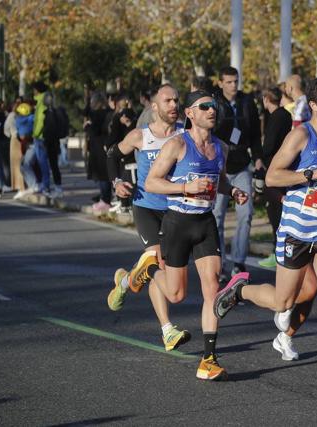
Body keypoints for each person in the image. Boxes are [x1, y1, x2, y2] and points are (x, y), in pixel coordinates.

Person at [213, 77, 317, 404]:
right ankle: (240, 289)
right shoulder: (300, 135)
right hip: (297, 232)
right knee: (284, 302)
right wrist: (311, 174)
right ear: (313, 105)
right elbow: (272, 176)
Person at [125, 90, 249, 380]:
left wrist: (232, 191)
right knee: (176, 295)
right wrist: (184, 189)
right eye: (204, 106)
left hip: (205, 224)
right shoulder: (177, 145)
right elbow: (153, 182)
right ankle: (150, 268)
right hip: (177, 224)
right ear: (190, 114)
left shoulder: (220, 147)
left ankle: (208, 359)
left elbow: (219, 180)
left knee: (212, 290)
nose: (211, 110)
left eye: (214, 106)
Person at [106, 84, 191, 352]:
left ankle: (125, 281)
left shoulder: (185, 135)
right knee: (158, 263)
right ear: (154, 106)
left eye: (176, 100)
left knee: (158, 270)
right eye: (167, 101)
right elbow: (112, 154)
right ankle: (167, 330)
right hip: (146, 207)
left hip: (175, 209)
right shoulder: (140, 136)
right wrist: (117, 182)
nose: (173, 105)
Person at [213, 66, 262, 281]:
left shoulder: (246, 101)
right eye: (229, 82)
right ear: (221, 82)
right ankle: (220, 263)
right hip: (219, 167)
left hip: (242, 164)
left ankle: (239, 261)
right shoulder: (214, 103)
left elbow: (255, 134)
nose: (233, 85)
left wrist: (258, 157)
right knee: (217, 217)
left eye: (236, 81)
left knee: (246, 213)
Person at [257, 86, 293, 268]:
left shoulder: (275, 117)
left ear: (266, 99)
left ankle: (277, 250)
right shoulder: (286, 115)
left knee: (275, 210)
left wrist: (260, 157)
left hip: (273, 168)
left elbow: (269, 145)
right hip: (286, 166)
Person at [85, 91, 114, 213]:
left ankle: (105, 200)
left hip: (98, 147)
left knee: (102, 174)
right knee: (106, 174)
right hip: (105, 145)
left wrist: (87, 126)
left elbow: (94, 131)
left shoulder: (97, 115)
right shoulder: (109, 113)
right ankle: (105, 197)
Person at [31, 82, 53, 197]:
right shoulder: (42, 100)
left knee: (42, 162)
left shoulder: (42, 101)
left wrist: (35, 133)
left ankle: (45, 186)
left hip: (40, 137)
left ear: (37, 90)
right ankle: (42, 185)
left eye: (34, 89)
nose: (33, 91)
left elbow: (40, 120)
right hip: (40, 136)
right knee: (38, 162)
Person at [4, 98, 25, 192]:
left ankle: (16, 185)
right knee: (22, 161)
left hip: (14, 140)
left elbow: (6, 128)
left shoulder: (11, 115)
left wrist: (11, 135)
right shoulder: (25, 114)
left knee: (15, 163)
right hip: (24, 139)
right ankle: (23, 184)